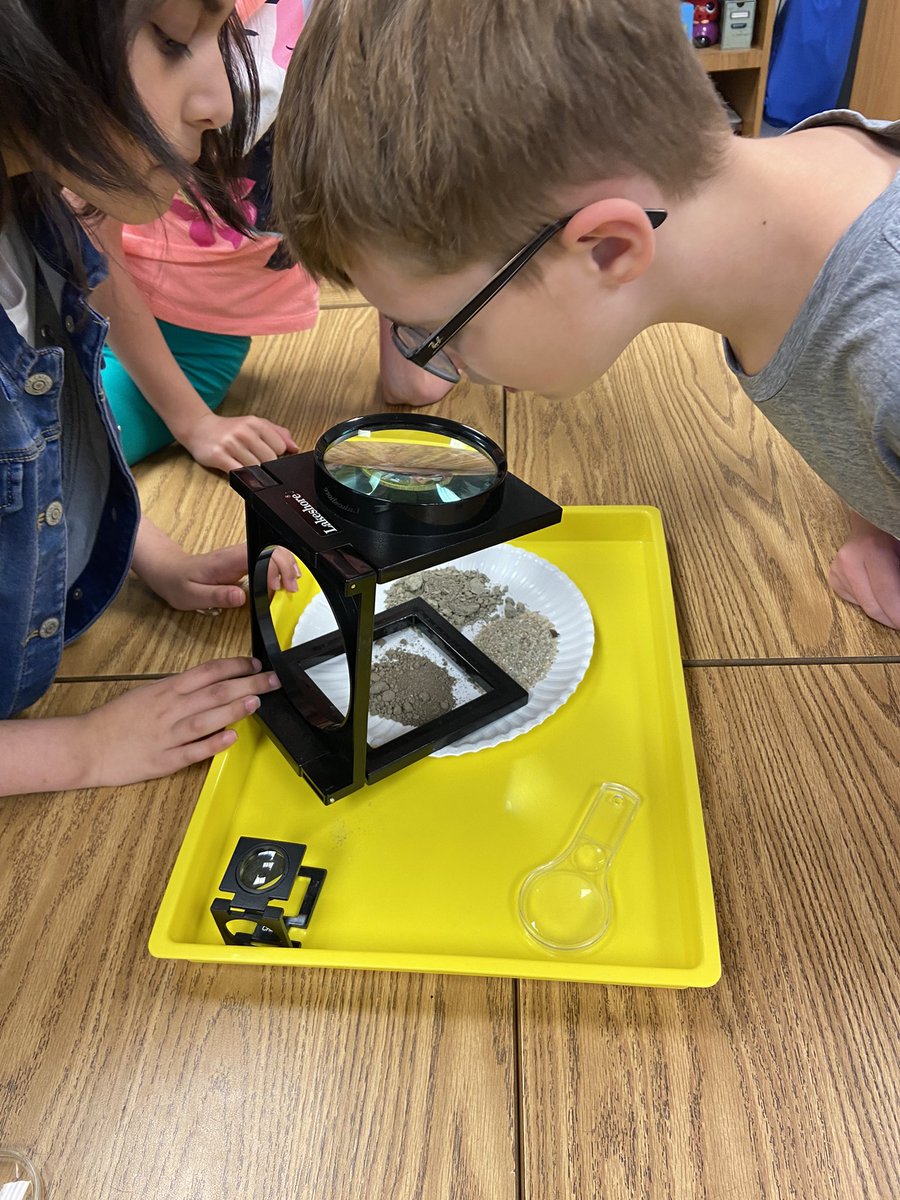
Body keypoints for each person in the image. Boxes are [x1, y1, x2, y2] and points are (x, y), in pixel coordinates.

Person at [272, 0, 900, 630]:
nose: (435, 362)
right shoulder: (805, 195)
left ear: (608, 247)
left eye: (437, 333)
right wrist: (872, 511)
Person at [0, 0, 298, 797]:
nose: (222, 102)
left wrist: (142, 550)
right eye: (173, 41)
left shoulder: (40, 210)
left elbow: (47, 444)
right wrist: (82, 752)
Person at [90, 0, 450, 473]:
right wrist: (194, 422)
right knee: (55, 457)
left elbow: (412, 383)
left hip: (199, 341)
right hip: (115, 299)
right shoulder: (182, 20)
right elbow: (88, 221)